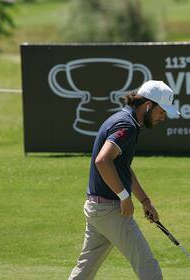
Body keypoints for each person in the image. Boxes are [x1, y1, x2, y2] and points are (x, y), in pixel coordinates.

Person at [68, 80, 180, 280]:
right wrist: (124, 197)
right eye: (161, 112)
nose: (163, 118)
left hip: (97, 209)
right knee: (148, 267)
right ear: (148, 105)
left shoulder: (127, 121)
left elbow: (122, 168)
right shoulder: (126, 125)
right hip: (111, 210)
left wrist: (145, 201)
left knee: (84, 271)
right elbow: (102, 161)